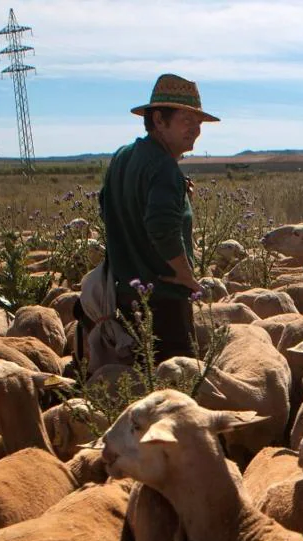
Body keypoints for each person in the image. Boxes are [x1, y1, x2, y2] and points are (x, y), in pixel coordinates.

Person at [95, 73, 219, 364]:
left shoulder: (124, 157)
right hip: (163, 303)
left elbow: (108, 208)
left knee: (141, 380)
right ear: (159, 120)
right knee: (177, 391)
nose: (196, 129)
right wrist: (185, 274)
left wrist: (179, 197)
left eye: (199, 122)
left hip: (126, 297)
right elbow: (161, 227)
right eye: (186, 120)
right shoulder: (163, 166)